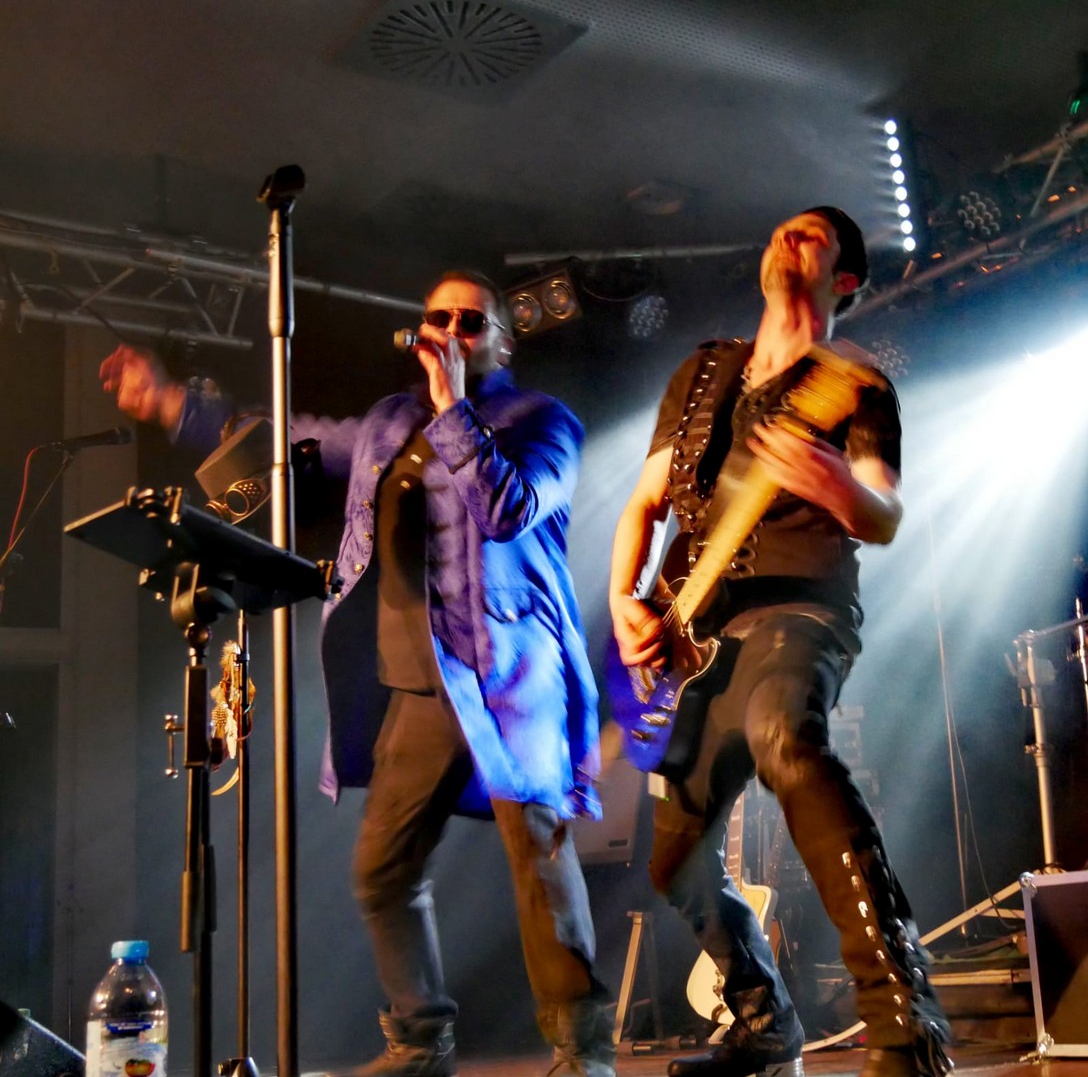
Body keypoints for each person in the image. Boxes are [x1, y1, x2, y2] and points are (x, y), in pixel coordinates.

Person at [100, 270, 616, 1077]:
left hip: (510, 680)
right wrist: (172, 404)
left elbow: (509, 510)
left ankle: (584, 1053)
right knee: (382, 872)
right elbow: (286, 437)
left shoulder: (543, 421)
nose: (451, 332)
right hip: (417, 686)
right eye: (439, 317)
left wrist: (455, 408)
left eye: (471, 321)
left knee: (540, 866)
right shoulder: (388, 421)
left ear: (504, 341)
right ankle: (420, 1039)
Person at [607, 208, 952, 1077]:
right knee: (674, 860)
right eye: (780, 232)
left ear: (846, 280)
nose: (785, 240)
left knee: (785, 740)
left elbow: (884, 513)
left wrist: (836, 485)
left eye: (812, 237)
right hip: (696, 639)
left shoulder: (853, 383)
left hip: (801, 611)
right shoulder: (702, 373)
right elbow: (645, 504)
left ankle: (904, 1020)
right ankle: (762, 1020)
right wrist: (623, 601)